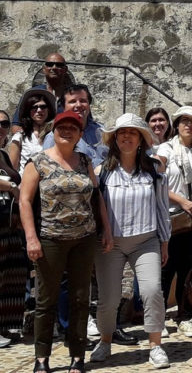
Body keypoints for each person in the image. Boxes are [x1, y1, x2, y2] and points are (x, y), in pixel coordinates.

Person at [18, 111, 112, 373]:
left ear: (80, 134)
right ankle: (41, 358)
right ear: (53, 132)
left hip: (84, 239)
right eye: (62, 127)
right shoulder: (37, 162)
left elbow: (97, 196)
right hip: (50, 239)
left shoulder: (84, 159)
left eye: (73, 128)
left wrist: (106, 229)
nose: (67, 131)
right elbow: (25, 201)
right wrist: (31, 238)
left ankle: (77, 357)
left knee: (81, 299)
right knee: (45, 301)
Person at [90, 114, 171, 368]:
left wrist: (164, 242)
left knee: (152, 291)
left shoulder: (155, 170)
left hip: (146, 240)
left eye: (132, 132)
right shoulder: (101, 171)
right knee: (109, 298)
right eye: (121, 132)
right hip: (110, 243)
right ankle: (105, 341)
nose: (126, 136)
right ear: (114, 139)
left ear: (140, 140)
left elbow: (162, 207)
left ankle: (155, 345)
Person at [156, 105, 192, 338]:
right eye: (184, 120)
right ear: (177, 125)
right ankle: (157, 318)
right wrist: (181, 200)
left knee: (189, 268)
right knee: (166, 268)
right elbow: (157, 182)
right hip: (172, 214)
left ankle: (184, 315)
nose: (188, 125)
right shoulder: (165, 149)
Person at [0, 110, 26, 347]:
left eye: (4, 124)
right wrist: (10, 187)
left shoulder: (3, 155)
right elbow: (11, 185)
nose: (0, 128)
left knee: (10, 277)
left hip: (9, 226)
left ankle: (4, 327)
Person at [42, 84, 108, 165]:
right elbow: (47, 166)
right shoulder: (56, 137)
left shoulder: (102, 130)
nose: (78, 105)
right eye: (72, 101)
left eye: (83, 101)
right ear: (63, 107)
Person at [11, 53, 71, 130]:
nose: (54, 67)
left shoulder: (75, 97)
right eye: (50, 64)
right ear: (44, 69)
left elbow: (87, 124)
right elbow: (16, 126)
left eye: (59, 65)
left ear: (65, 69)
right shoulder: (31, 94)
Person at [8, 89, 56, 169]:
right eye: (34, 107)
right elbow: (12, 168)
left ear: (48, 110)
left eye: (43, 107)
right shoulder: (20, 136)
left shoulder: (56, 135)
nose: (39, 110)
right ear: (28, 111)